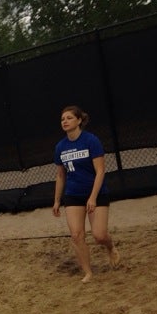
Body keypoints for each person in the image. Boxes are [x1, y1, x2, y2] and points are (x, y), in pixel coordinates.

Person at [52, 105, 121, 283]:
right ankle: (88, 272)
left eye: (69, 118)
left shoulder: (91, 141)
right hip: (73, 195)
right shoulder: (61, 147)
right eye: (62, 119)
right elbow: (60, 175)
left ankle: (110, 247)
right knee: (76, 234)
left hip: (95, 192)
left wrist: (92, 197)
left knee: (99, 235)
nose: (65, 121)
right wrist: (57, 200)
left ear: (79, 120)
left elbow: (100, 171)